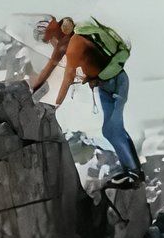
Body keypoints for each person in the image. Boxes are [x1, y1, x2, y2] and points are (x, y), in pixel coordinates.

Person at [28, 16, 140, 186]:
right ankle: (133, 171)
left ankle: (133, 173)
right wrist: (33, 89)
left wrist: (56, 104)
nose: (50, 44)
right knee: (113, 130)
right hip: (105, 85)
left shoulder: (74, 45)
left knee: (112, 129)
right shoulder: (64, 45)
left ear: (55, 33)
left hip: (115, 82)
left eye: (49, 39)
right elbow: (50, 66)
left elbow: (68, 78)